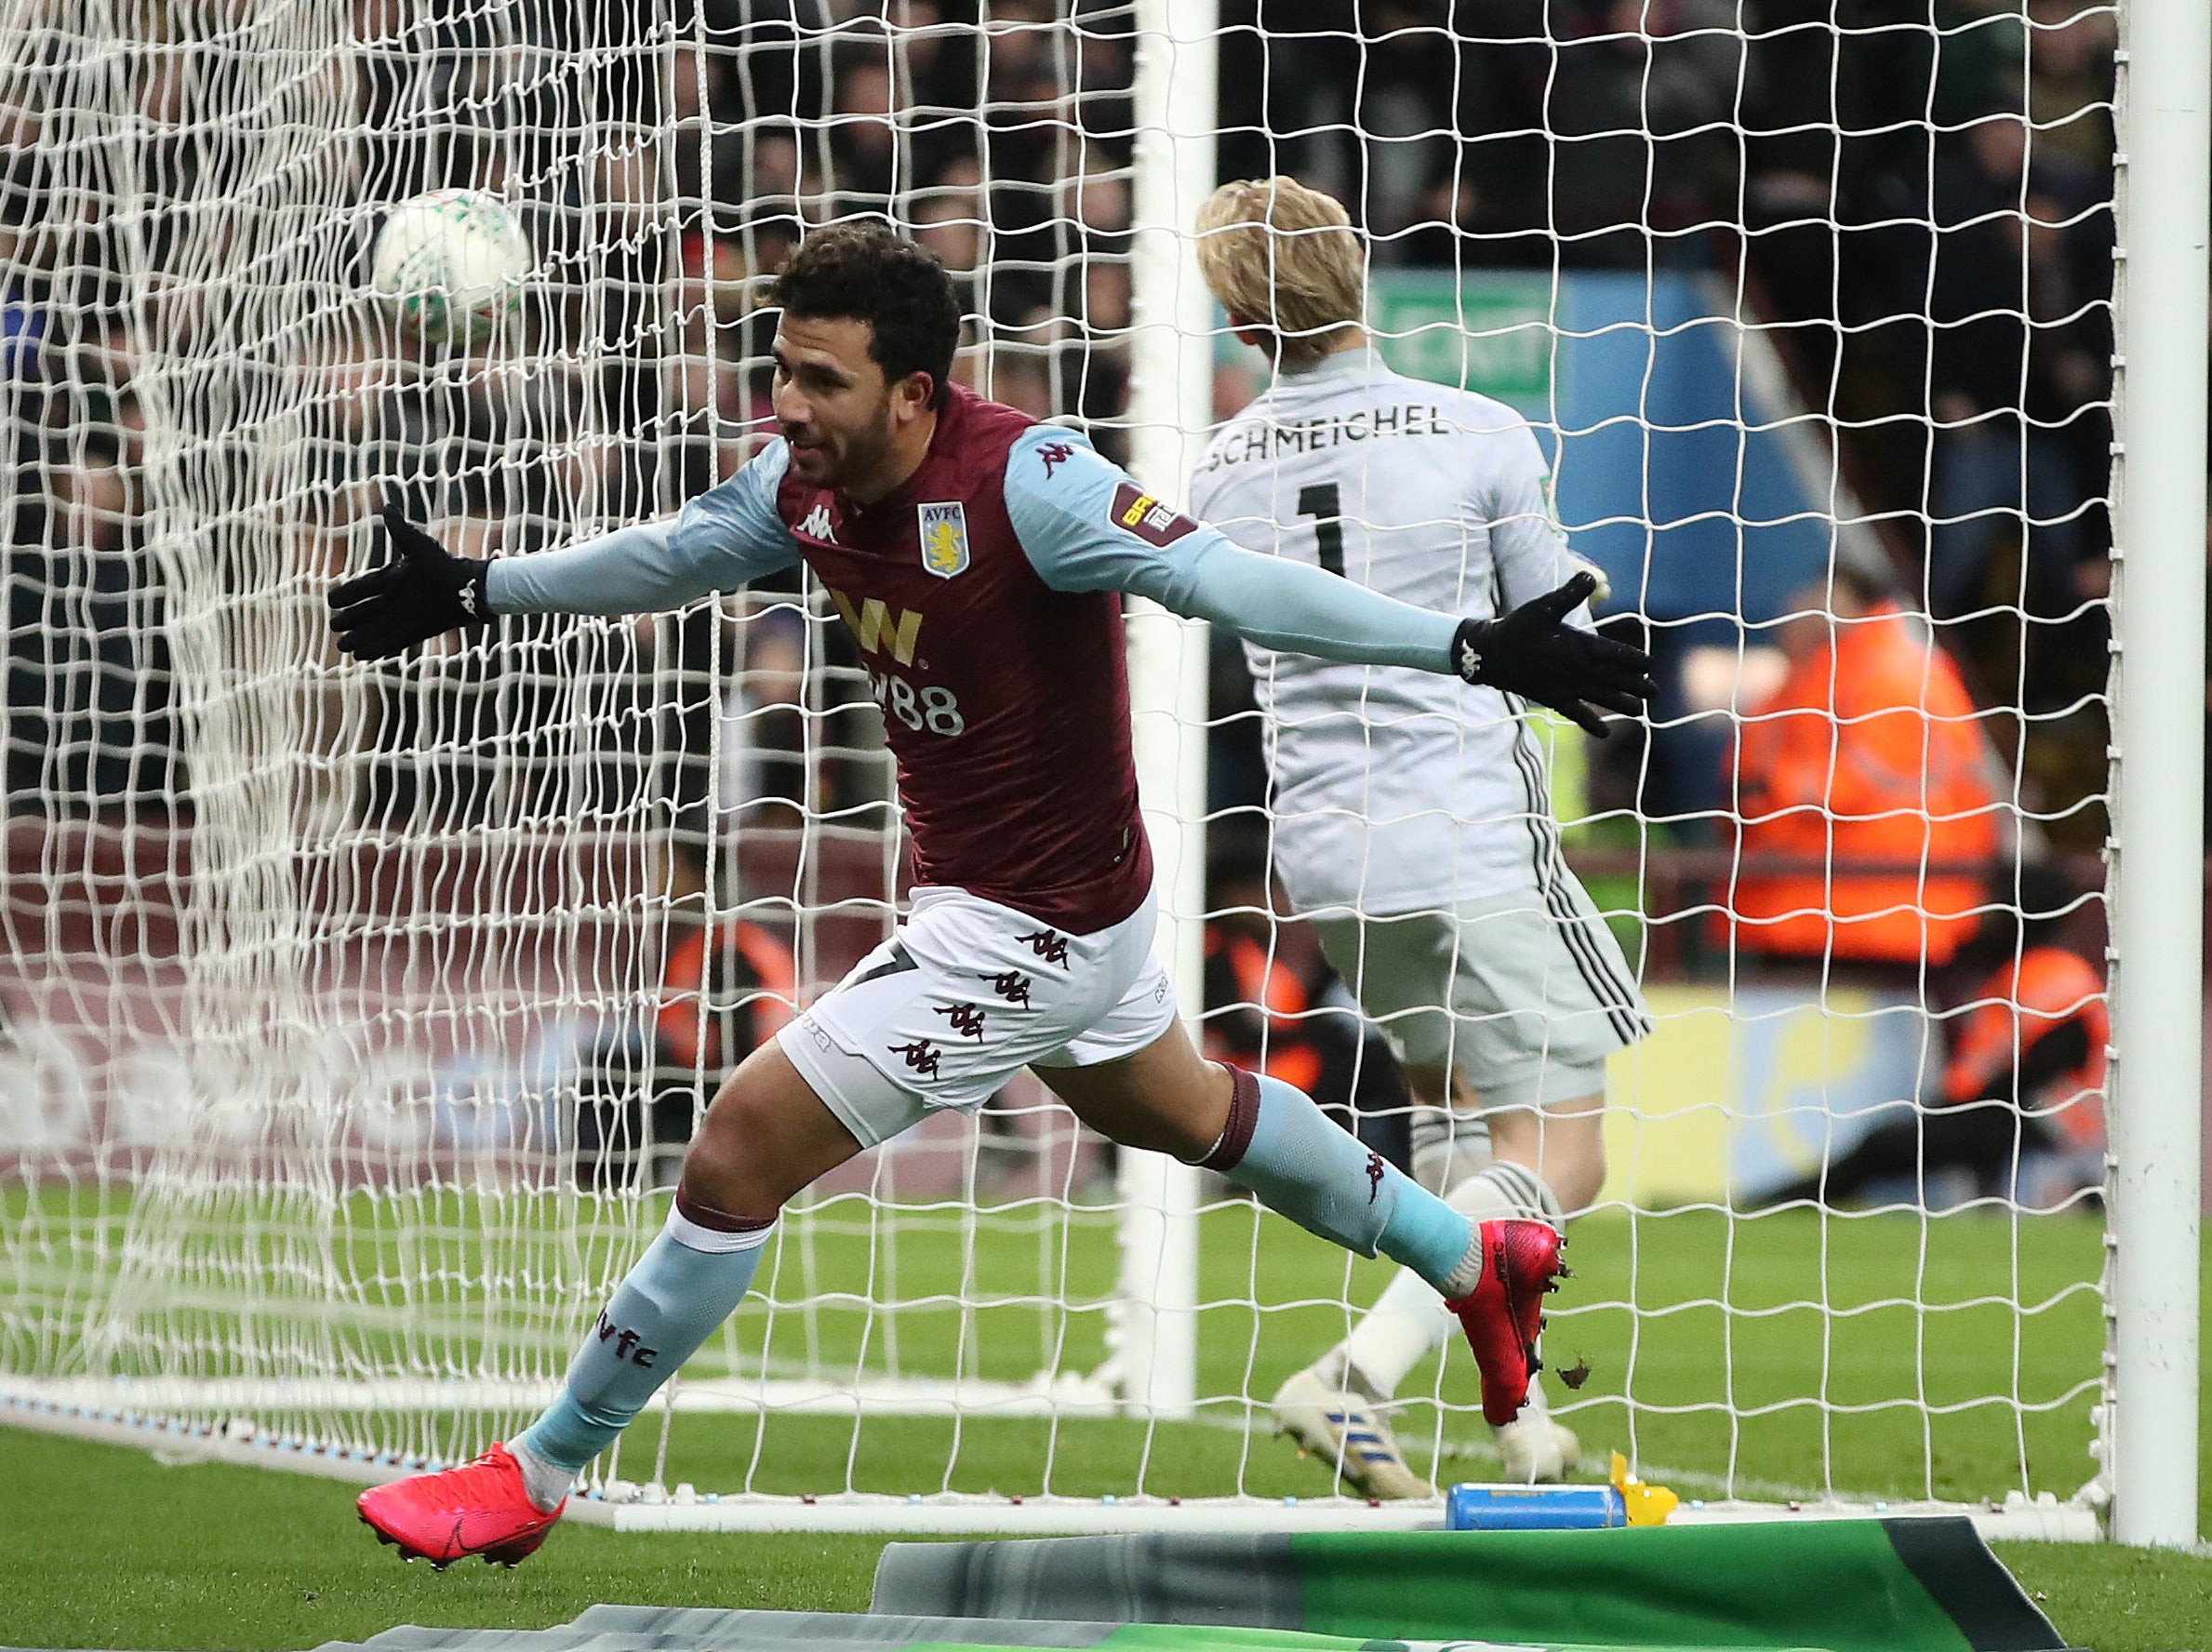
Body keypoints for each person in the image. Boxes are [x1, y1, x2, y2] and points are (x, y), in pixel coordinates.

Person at [330, 222, 1653, 1565]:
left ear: (913, 393)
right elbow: (669, 558)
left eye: (823, 382)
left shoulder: (1032, 481)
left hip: (1038, 920)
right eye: (781, 371)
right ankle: (1468, 1257)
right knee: (1189, 1108)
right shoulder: (797, 483)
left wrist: (1465, 643)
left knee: (734, 1148)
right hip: (1035, 894)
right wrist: (477, 590)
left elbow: (1220, 578)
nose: (790, 407)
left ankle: (538, 1473)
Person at [1188, 177, 1649, 1497]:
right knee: (1563, 1147)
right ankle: (1354, 1379)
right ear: (1359, 268)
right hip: (1465, 832)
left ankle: (1519, 1425)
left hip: (1327, 854)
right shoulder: (1472, 426)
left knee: (1461, 1143)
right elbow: (1544, 626)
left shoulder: (1214, 468)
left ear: (1234, 311)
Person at [1763, 861, 2107, 1210]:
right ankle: (1791, 1200)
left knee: (1887, 1146)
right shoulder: (2028, 970)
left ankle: (1787, 1202)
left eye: (1992, 900)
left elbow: (2053, 1060)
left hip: (2047, 1124)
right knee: (1896, 1143)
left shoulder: (2056, 976)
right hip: (2024, 1118)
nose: (1982, 911)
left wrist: (1964, 1108)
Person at [1724, 547, 2005, 972]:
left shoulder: (1888, 674)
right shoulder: (1833, 670)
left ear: (1843, 599)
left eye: (1818, 592)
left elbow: (1844, 783)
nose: (1800, 604)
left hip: (1867, 913)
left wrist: (1765, 793)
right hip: (1836, 910)